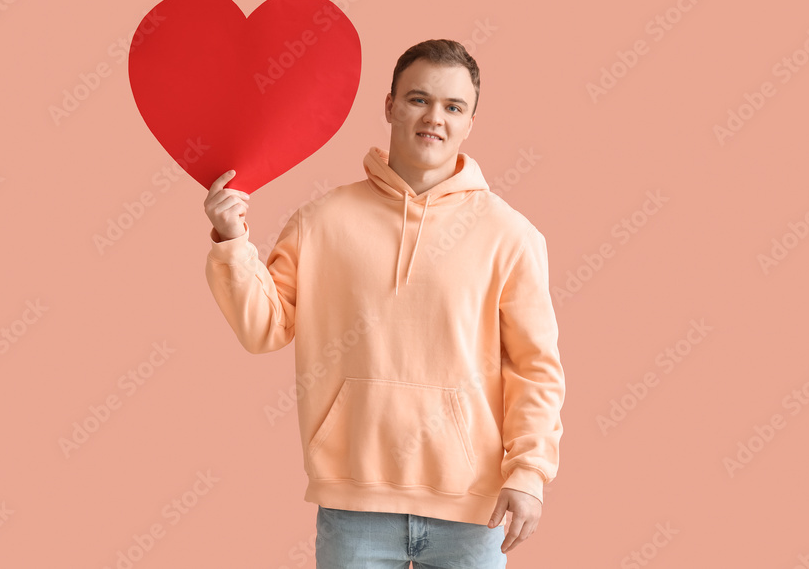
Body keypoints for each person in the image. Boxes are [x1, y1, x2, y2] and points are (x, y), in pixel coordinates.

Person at [204, 39, 565, 568]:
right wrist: (232, 241)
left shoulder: (510, 237)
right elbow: (264, 328)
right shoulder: (321, 220)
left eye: (453, 107)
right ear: (390, 106)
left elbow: (536, 369)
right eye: (418, 100)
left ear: (470, 122)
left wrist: (530, 472)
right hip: (354, 505)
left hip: (472, 510)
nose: (434, 118)